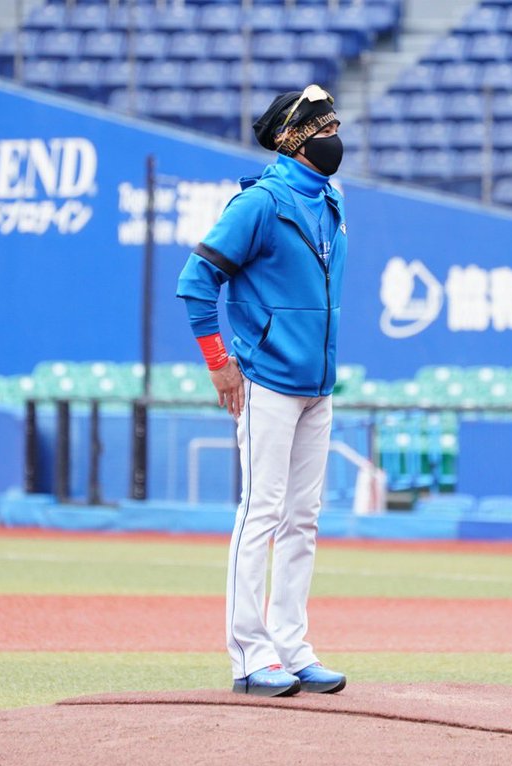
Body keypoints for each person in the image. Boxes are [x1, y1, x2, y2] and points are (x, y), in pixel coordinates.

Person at [176, 85, 348, 697]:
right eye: (323, 128)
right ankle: (249, 655)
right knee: (262, 513)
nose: (335, 137)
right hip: (268, 381)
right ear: (294, 139)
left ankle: (291, 646)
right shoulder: (259, 204)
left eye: (335, 126)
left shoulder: (329, 198)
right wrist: (218, 362)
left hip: (317, 385)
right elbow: (197, 280)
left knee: (303, 520)